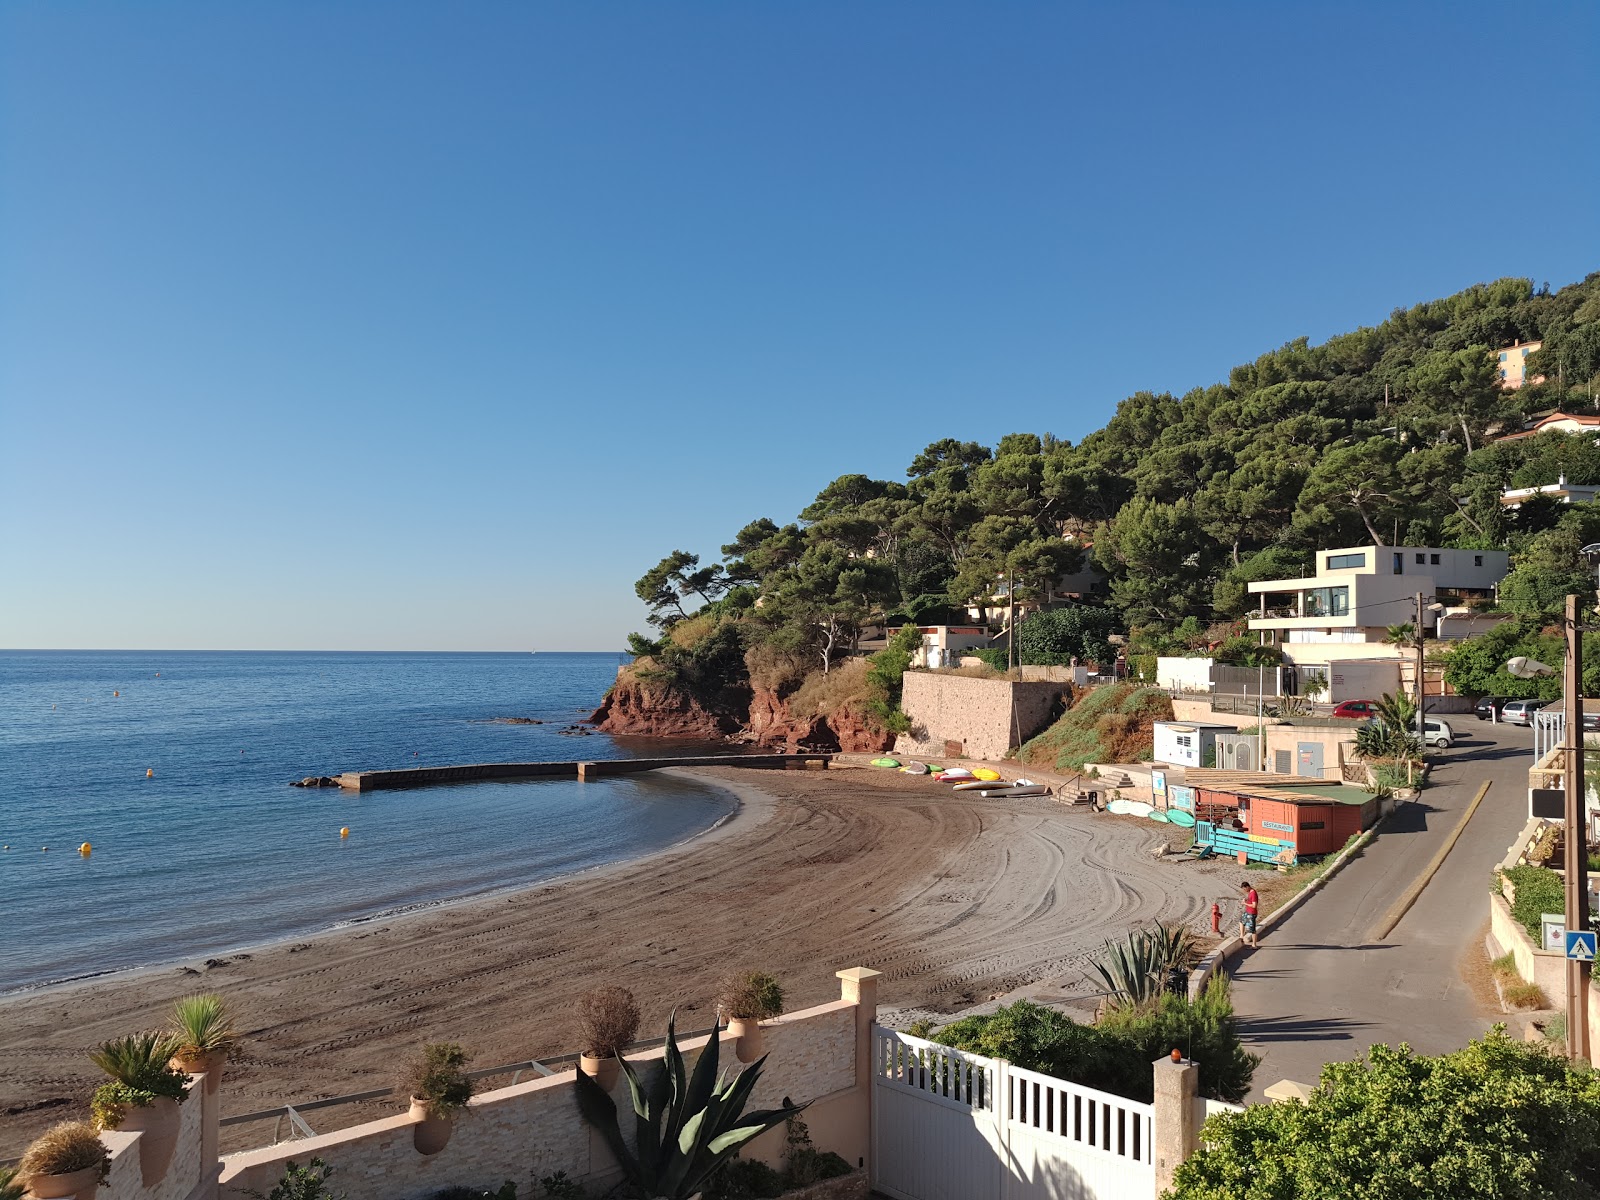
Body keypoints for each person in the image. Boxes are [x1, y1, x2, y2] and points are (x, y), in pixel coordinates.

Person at [1238, 880, 1260, 947]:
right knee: (1241, 920)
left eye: (1245, 889)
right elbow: (1250, 901)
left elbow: (1254, 905)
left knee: (1252, 929)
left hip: (1252, 913)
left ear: (1247, 887)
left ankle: (1254, 945)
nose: (1244, 890)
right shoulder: (1250, 892)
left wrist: (1245, 903)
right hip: (1248, 912)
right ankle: (1242, 935)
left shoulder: (1253, 893)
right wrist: (1246, 900)